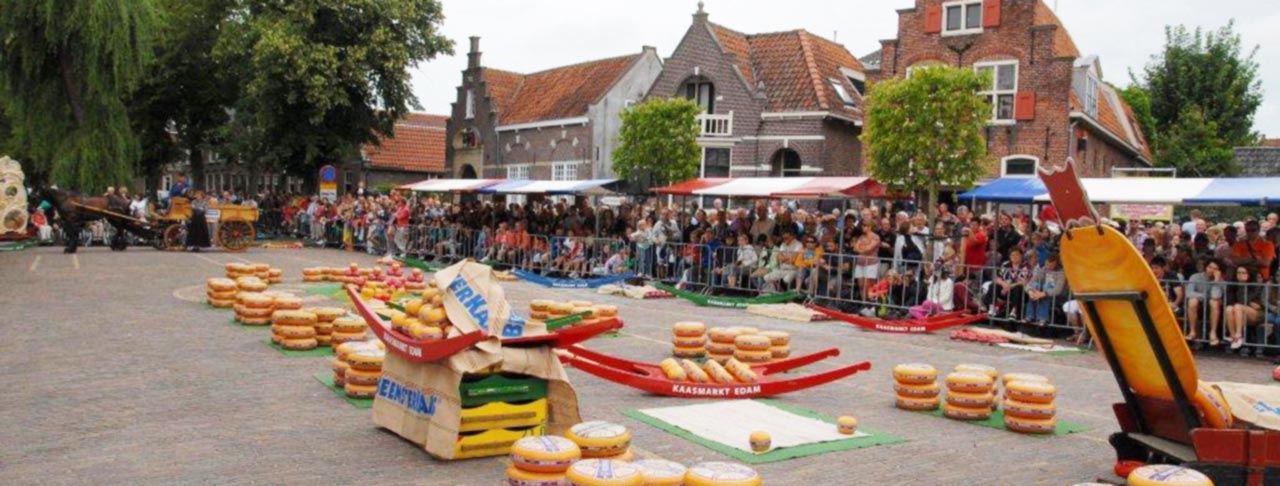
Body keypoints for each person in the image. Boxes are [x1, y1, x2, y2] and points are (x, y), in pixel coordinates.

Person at [1225, 266, 1263, 354]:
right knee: (1229, 309)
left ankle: (1239, 335)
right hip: (1239, 311)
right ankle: (1233, 336)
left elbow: (1244, 300)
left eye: (1243, 273)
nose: (1240, 275)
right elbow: (1230, 301)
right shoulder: (1233, 285)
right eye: (1238, 273)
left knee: (1238, 306)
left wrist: (1243, 285)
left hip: (1257, 313)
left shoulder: (1255, 285)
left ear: (1249, 274)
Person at [1024, 253, 1066, 325]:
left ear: (1056, 264)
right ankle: (1029, 316)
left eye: (1051, 265)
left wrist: (1043, 293)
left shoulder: (1061, 273)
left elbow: (1058, 290)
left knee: (1047, 286)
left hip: (1057, 296)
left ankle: (1042, 318)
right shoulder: (1042, 269)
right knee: (1035, 285)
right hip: (1040, 294)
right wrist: (1030, 291)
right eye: (1047, 264)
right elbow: (1030, 283)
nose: (1048, 267)